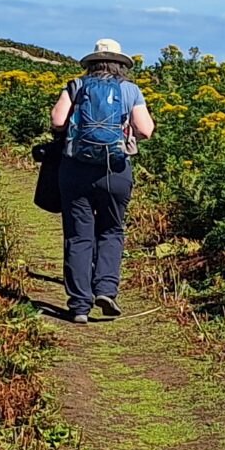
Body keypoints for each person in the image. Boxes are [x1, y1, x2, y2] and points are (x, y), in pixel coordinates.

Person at [48, 39, 155, 324]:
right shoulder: (130, 89)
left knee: (78, 235)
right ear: (121, 65)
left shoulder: (76, 85)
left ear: (91, 63)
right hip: (115, 170)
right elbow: (146, 129)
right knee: (111, 230)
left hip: (75, 169)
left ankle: (80, 305)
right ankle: (106, 289)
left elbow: (58, 120)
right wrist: (126, 135)